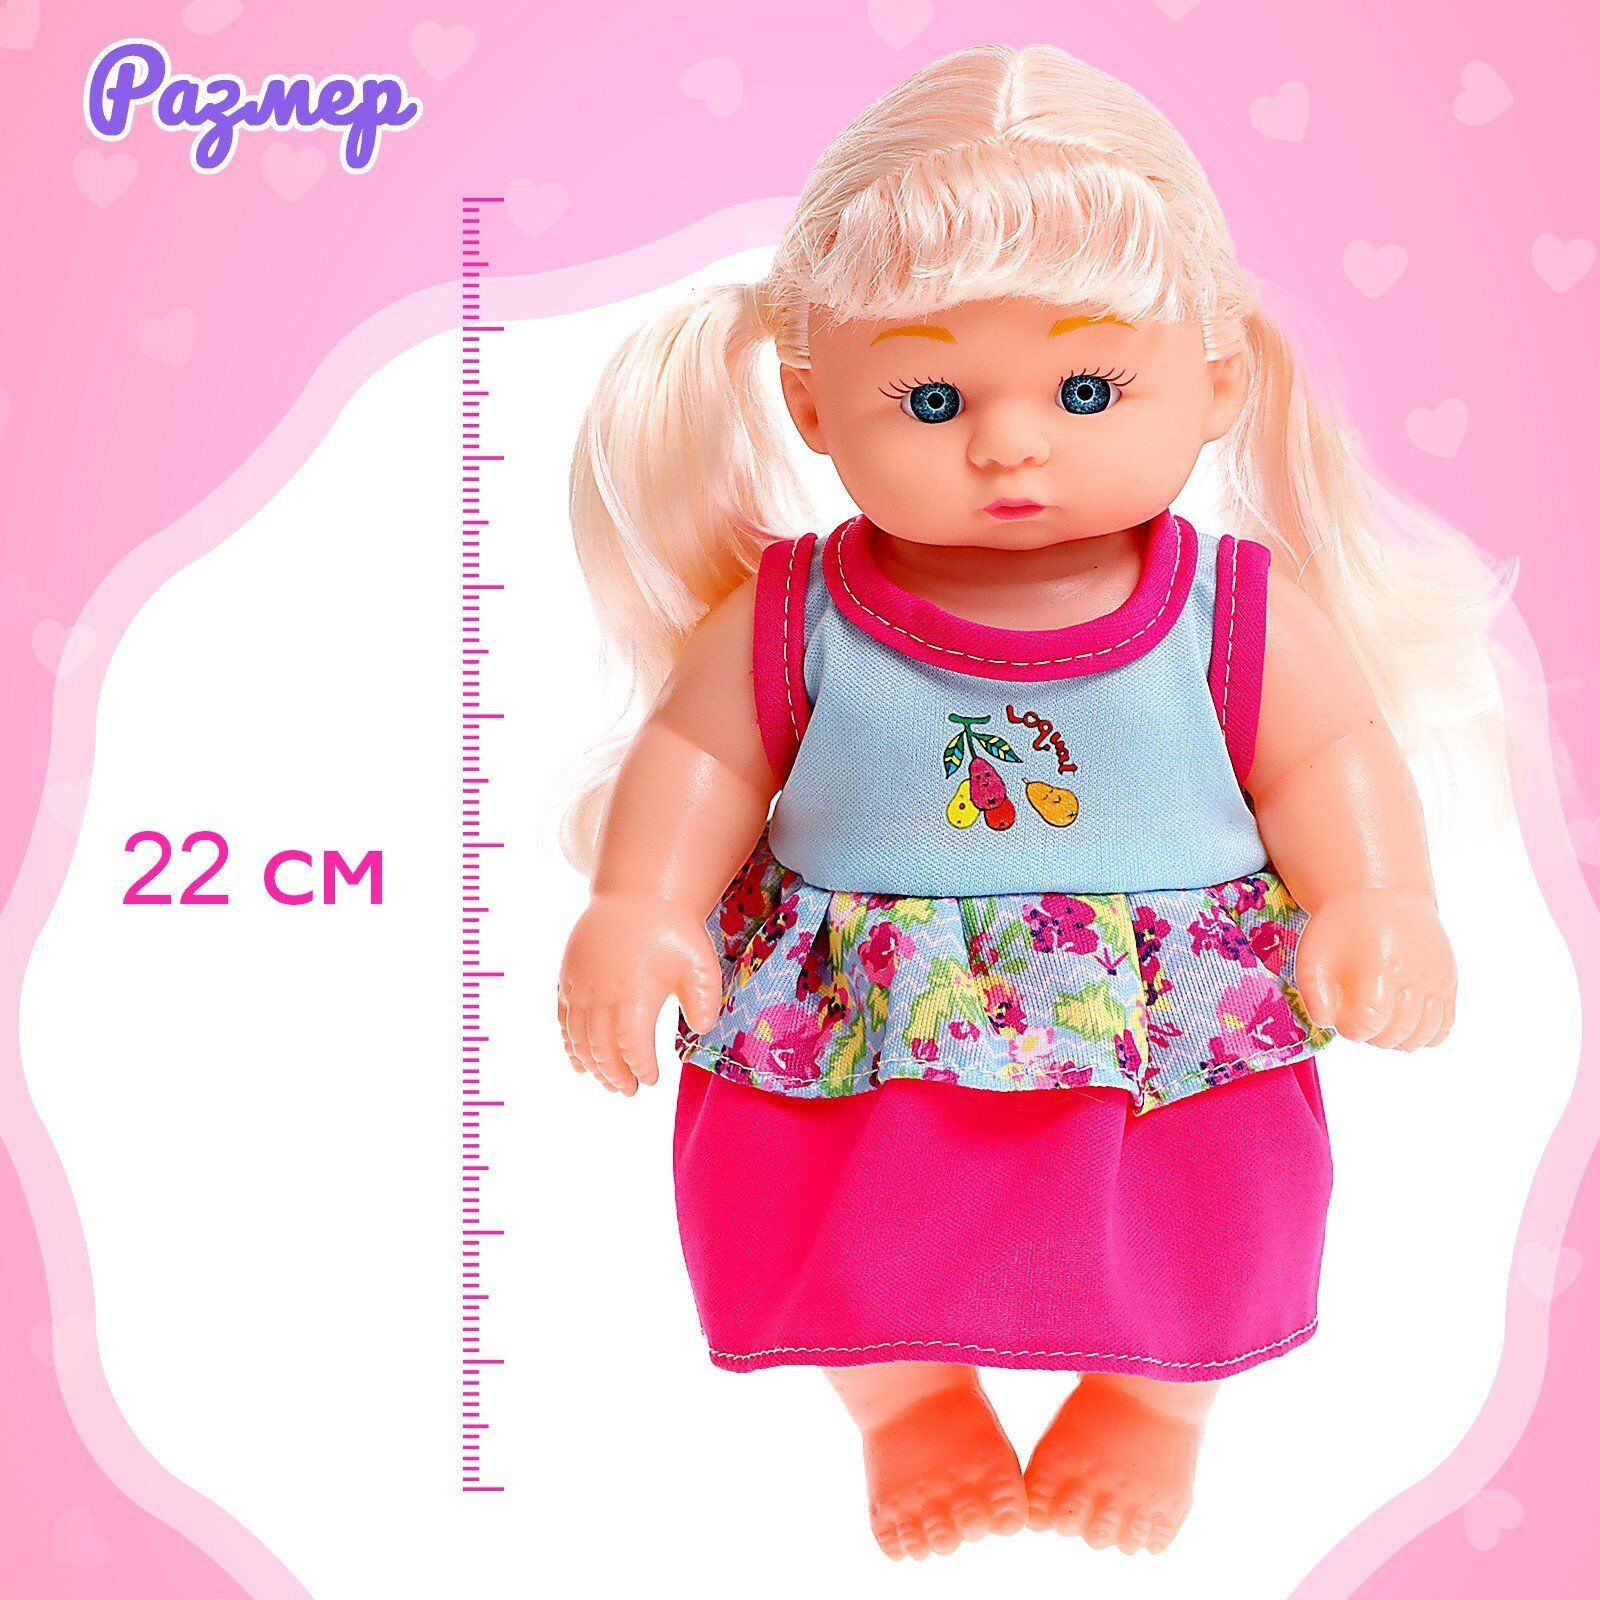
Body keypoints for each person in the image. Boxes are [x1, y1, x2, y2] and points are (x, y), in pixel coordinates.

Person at [556, 43, 1502, 1562]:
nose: (1007, 443)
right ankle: (905, 1404)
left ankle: (1155, 1405)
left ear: (1216, 382)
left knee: (1198, 1206)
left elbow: (1327, 757)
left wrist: (1380, 895)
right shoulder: (797, 613)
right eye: (931, 395)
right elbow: (702, 757)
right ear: (811, 403)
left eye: (1085, 388)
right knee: (833, 1207)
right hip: (865, 1000)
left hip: (1157, 1004)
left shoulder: (1229, 613)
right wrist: (639, 900)